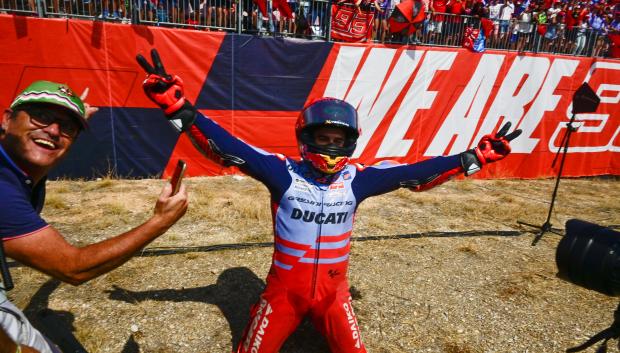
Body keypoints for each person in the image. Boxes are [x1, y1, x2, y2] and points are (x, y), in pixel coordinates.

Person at [136, 49, 521, 353]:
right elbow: (229, 149)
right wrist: (179, 109)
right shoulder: (282, 171)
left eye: (339, 141)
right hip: (283, 295)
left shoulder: (359, 179)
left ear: (350, 143)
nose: (331, 146)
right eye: (324, 138)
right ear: (307, 138)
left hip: (334, 296)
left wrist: (473, 159)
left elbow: (417, 173)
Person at [0, 80, 189, 353]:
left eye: (67, 127)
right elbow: (73, 268)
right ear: (7, 119)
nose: (53, 131)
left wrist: (72, 119)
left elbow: (45, 139)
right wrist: (159, 222)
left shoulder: (18, 160)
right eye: (41, 116)